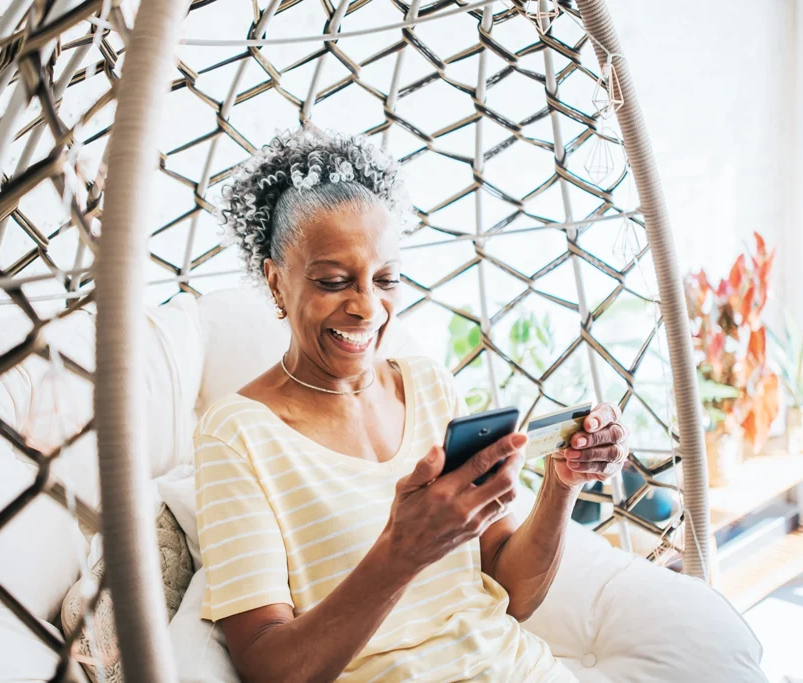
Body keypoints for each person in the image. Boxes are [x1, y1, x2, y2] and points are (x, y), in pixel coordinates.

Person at [193, 127, 629, 682]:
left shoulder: (427, 386)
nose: (366, 307)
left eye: (386, 279)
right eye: (332, 281)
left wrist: (561, 484)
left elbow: (510, 593)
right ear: (276, 283)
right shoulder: (235, 435)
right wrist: (402, 552)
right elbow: (271, 669)